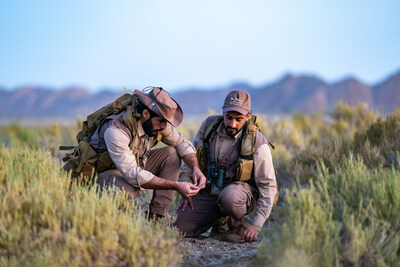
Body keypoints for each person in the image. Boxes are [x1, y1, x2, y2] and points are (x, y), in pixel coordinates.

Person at [174, 90, 277, 242]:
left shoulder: (258, 142)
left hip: (239, 195)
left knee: (230, 196)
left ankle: (236, 225)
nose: (232, 124)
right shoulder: (209, 126)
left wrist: (257, 225)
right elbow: (191, 157)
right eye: (228, 117)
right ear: (223, 112)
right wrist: (186, 182)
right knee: (178, 228)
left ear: (248, 116)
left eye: (239, 119)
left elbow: (268, 185)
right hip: (211, 190)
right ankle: (219, 222)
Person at [89, 87, 206, 218]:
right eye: (161, 121)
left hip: (133, 166)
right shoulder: (116, 131)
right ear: (145, 114)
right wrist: (176, 186)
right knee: (128, 190)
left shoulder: (155, 123)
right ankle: (105, 219)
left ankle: (157, 217)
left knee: (171, 154)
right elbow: (134, 175)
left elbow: (181, 142)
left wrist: (196, 168)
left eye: (166, 122)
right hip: (103, 174)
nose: (164, 127)